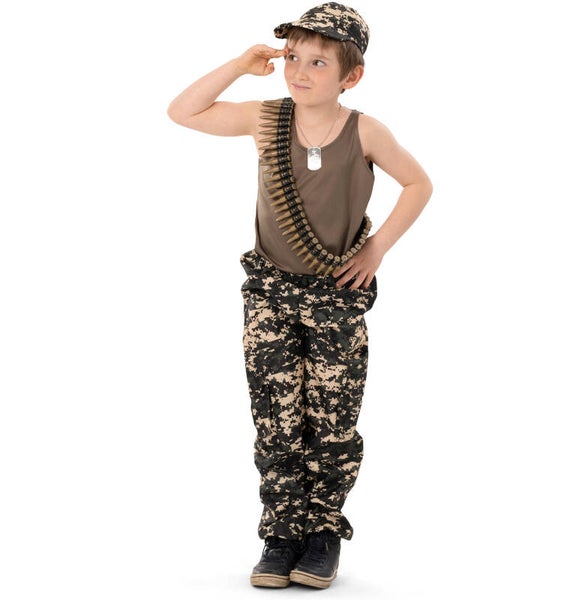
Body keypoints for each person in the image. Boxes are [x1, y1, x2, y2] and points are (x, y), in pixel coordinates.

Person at [167, 2, 432, 590]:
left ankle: (322, 535)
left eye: (318, 62)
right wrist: (240, 65)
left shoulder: (365, 130)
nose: (299, 71)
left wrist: (376, 249)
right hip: (270, 294)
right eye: (293, 57)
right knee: (276, 416)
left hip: (336, 296)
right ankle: (282, 533)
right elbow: (183, 111)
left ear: (351, 76)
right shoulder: (266, 118)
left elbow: (418, 183)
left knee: (333, 419)